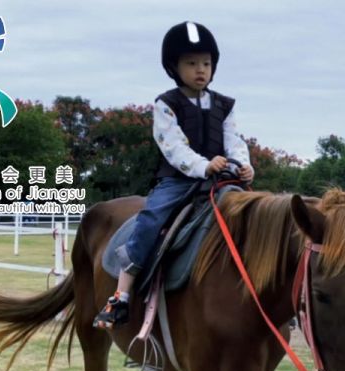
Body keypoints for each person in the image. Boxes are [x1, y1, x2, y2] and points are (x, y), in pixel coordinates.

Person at [94, 21, 254, 329]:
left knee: (260, 217)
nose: (200, 69)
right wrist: (203, 165)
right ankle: (121, 296)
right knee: (150, 220)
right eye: (191, 63)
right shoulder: (166, 104)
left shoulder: (225, 105)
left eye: (206, 63)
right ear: (174, 67)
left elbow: (234, 140)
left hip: (221, 180)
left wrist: (243, 165)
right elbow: (173, 146)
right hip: (179, 180)